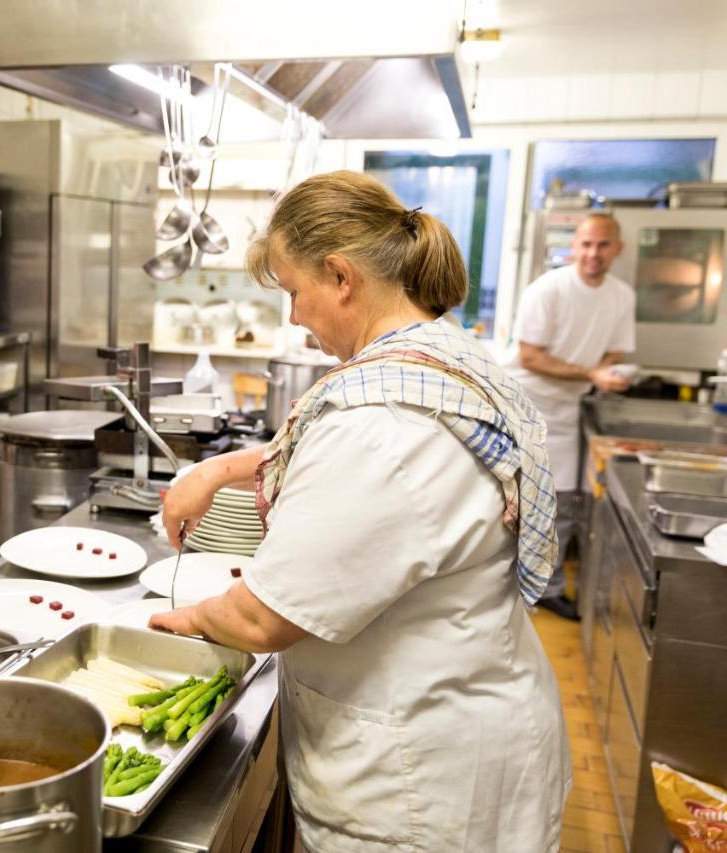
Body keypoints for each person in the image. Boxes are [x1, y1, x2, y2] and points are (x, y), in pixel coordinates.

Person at [152, 171, 570, 852]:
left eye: (294, 291)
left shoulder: (382, 423)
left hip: (421, 784)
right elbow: (346, 466)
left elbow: (261, 616)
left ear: (341, 276)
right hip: (466, 714)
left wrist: (184, 617)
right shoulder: (439, 355)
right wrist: (221, 467)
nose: (293, 317)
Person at [505, 213, 636, 621]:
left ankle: (549, 586)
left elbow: (616, 349)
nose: (593, 254)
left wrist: (607, 372)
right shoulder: (549, 289)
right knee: (529, 504)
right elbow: (530, 356)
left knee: (567, 503)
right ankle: (529, 589)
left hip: (571, 408)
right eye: (586, 244)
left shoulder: (621, 296)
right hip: (530, 404)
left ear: (618, 249)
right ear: (574, 247)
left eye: (602, 245)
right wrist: (592, 373)